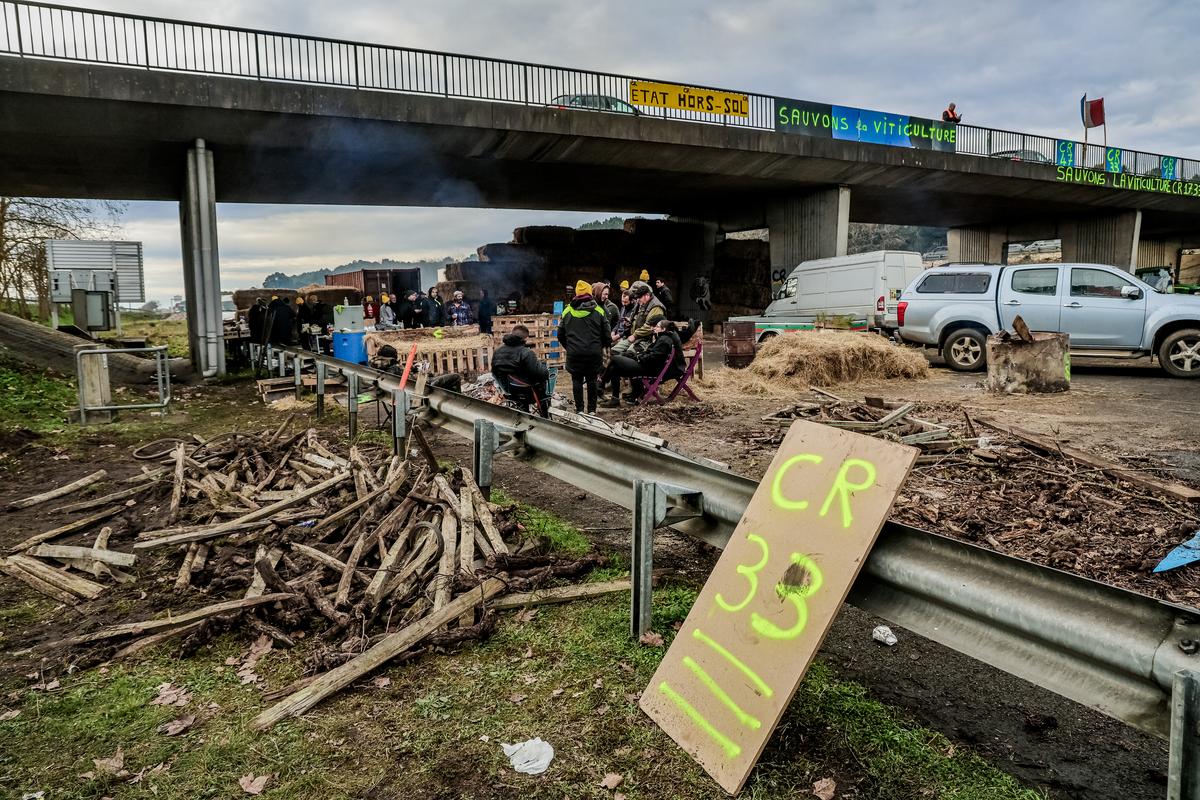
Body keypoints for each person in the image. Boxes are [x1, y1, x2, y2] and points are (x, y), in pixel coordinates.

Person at [600, 319, 684, 408]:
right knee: (615, 368)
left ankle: (601, 383)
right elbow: (652, 354)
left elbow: (655, 358)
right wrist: (639, 355)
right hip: (646, 366)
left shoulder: (664, 340)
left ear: (663, 329)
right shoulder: (663, 338)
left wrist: (639, 357)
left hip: (648, 369)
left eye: (657, 326)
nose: (654, 328)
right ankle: (614, 399)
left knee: (615, 358)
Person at [559, 279, 610, 414]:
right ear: (590, 293)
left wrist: (569, 347)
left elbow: (560, 334)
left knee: (576, 379)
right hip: (593, 353)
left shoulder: (567, 311)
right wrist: (601, 346)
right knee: (592, 380)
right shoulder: (599, 311)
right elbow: (607, 335)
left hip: (574, 353)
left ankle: (580, 410)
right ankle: (592, 410)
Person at [491, 324, 550, 417]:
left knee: (519, 381)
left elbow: (494, 372)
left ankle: (523, 414)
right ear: (525, 339)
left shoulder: (497, 352)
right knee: (542, 382)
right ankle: (545, 417)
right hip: (529, 392)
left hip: (509, 391)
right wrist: (545, 370)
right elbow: (539, 374)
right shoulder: (526, 353)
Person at [611, 281, 664, 356]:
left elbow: (650, 327)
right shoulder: (641, 303)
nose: (637, 300)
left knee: (628, 355)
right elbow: (637, 319)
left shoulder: (656, 307)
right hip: (634, 337)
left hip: (645, 340)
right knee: (613, 351)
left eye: (639, 297)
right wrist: (629, 322)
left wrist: (635, 335)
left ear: (647, 295)